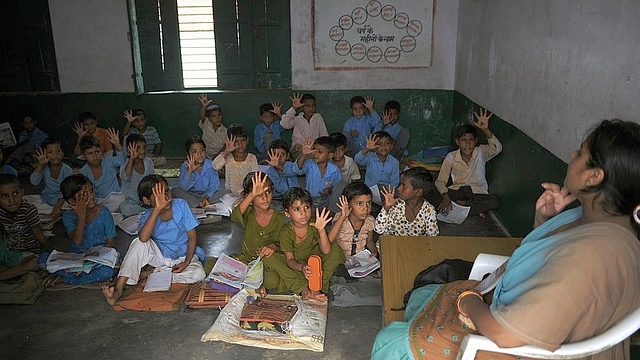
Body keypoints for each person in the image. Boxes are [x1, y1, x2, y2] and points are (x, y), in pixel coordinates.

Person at [371, 119, 640, 360]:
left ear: (594, 177)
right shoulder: (593, 218)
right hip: (509, 302)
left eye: (581, 153)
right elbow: (537, 255)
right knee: (423, 293)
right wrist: (543, 219)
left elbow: (505, 335)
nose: (572, 155)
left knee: (390, 342)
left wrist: (468, 301)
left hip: (513, 342)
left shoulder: (596, 255)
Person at [101, 174, 207, 306]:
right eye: (159, 195)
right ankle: (118, 289)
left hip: (184, 255)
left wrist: (186, 262)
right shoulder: (147, 216)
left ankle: (150, 273)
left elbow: (192, 237)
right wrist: (157, 209)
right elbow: (143, 239)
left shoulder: (181, 205)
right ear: (147, 200)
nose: (165, 197)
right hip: (161, 257)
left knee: (199, 274)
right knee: (138, 243)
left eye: (166, 191)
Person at [262, 188, 345, 301]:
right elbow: (290, 260)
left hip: (314, 263)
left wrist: (321, 231)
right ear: (287, 213)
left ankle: (316, 287)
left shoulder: (314, 224)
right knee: (270, 258)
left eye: (307, 207)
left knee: (334, 249)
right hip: (296, 266)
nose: (303, 213)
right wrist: (302, 267)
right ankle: (304, 288)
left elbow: (326, 251)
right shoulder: (286, 232)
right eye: (297, 209)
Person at [37, 174, 117, 285]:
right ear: (71, 201)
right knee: (43, 259)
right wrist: (81, 216)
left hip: (100, 256)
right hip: (77, 258)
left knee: (107, 271)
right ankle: (83, 275)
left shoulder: (104, 212)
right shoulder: (68, 216)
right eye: (84, 195)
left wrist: (96, 258)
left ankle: (66, 279)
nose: (91, 196)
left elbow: (111, 241)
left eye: (91, 191)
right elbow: (77, 241)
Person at [435, 108, 502, 218]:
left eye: (471, 140)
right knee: (442, 197)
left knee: (494, 201)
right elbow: (440, 181)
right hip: (458, 191)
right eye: (464, 140)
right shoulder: (451, 157)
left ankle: (464, 206)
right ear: (457, 142)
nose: (468, 144)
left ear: (476, 141)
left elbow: (497, 148)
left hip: (477, 192)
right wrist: (445, 196)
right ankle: (473, 209)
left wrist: (486, 130)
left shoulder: (481, 152)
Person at [230, 172, 286, 296]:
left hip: (266, 264)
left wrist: (273, 247)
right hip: (246, 261)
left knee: (272, 280)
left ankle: (250, 284)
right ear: (248, 196)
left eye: (268, 192)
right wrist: (251, 195)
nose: (265, 198)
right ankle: (253, 284)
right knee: (211, 265)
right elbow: (234, 217)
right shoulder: (247, 214)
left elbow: (282, 243)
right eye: (258, 194)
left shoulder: (278, 217)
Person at [0, 174, 51, 280]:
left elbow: (39, 234)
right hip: (7, 249)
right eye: (4, 196)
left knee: (36, 263)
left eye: (15, 194)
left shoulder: (28, 210)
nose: (11, 200)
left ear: (22, 192)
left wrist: (53, 252)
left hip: (26, 253)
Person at [374, 167, 439, 236]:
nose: (399, 188)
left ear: (418, 192)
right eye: (400, 184)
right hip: (390, 244)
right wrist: (386, 207)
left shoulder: (429, 211)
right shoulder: (395, 204)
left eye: (404, 186)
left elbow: (432, 237)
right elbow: (379, 230)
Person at [78, 131, 127, 212]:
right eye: (90, 153)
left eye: (97, 151)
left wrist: (117, 144)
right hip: (98, 201)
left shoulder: (108, 162)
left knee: (122, 202)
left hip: (115, 197)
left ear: (101, 151)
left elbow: (122, 160)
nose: (95, 156)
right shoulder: (84, 172)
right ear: (83, 156)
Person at [292, 136, 341, 212]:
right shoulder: (310, 164)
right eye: (314, 150)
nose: (315, 154)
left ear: (330, 155)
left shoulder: (334, 170)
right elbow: (297, 170)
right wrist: (304, 154)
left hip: (326, 200)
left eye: (320, 152)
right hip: (309, 199)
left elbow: (337, 187)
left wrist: (329, 190)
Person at [27, 138, 73, 218]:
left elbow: (67, 192)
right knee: (26, 202)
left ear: (63, 154)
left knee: (73, 205)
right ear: (45, 154)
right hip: (46, 197)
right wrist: (40, 165)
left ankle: (53, 213)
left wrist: (57, 207)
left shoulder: (67, 170)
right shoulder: (44, 167)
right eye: (50, 152)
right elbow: (34, 182)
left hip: (63, 199)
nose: (55, 155)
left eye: (58, 151)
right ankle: (55, 214)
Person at [328, 182, 377, 259]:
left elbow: (369, 241)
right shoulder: (340, 218)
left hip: (359, 259)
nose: (366, 208)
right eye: (359, 204)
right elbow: (329, 240)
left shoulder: (369, 221)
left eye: (369, 203)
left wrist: (374, 251)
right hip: (339, 258)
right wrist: (343, 217)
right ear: (347, 204)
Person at [172, 135, 222, 208]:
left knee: (226, 192)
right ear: (188, 155)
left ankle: (200, 203)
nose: (199, 154)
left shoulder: (211, 165)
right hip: (190, 195)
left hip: (207, 195)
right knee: (174, 191)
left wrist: (206, 197)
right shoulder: (185, 166)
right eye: (194, 152)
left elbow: (214, 186)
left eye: (202, 150)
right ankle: (200, 204)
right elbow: (182, 188)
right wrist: (190, 172)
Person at [212, 124, 259, 194]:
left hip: (247, 194)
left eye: (243, 140)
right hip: (229, 194)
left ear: (247, 140)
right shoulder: (227, 157)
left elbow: (255, 177)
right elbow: (215, 166)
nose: (240, 144)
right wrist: (227, 151)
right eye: (236, 141)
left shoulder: (252, 158)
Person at [280, 93, 328, 159]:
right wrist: (294, 108)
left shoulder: (318, 118)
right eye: (307, 106)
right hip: (298, 148)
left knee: (322, 153)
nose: (311, 108)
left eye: (313, 105)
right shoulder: (297, 119)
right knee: (310, 154)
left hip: (314, 148)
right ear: (302, 107)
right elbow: (284, 124)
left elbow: (324, 135)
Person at [120, 134, 154, 217]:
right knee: (125, 208)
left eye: (144, 147)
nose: (142, 151)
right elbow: (125, 177)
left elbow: (152, 180)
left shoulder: (148, 162)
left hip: (146, 198)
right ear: (129, 150)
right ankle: (147, 211)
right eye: (138, 148)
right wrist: (131, 159)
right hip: (131, 200)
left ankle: (147, 210)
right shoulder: (125, 165)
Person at [197, 94, 227, 158]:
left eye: (219, 115)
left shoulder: (225, 131)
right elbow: (202, 117)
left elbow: (225, 147)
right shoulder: (206, 125)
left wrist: (216, 156)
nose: (217, 118)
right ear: (209, 118)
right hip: (205, 155)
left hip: (219, 156)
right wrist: (204, 107)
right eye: (213, 116)